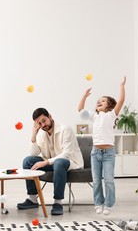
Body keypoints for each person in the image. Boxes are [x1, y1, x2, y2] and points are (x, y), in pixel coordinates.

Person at [17, 108, 84, 215]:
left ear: (50, 116)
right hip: (52, 163)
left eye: (44, 120)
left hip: (69, 162)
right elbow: (33, 154)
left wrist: (45, 162)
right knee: (27, 161)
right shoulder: (41, 133)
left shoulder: (65, 129)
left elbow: (67, 154)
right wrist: (34, 134)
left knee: (59, 163)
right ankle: (32, 199)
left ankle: (58, 202)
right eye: (39, 123)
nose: (43, 125)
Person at [77, 76, 126, 215]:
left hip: (108, 154)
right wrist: (85, 96)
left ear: (109, 105)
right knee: (97, 180)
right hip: (95, 153)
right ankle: (98, 203)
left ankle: (109, 204)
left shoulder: (111, 115)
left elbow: (121, 101)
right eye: (98, 100)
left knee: (109, 180)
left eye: (103, 100)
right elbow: (80, 109)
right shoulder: (94, 116)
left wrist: (122, 86)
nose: (99, 101)